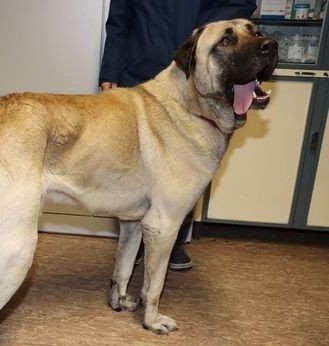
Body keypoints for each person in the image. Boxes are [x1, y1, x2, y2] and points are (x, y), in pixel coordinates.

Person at [99, 0, 257, 270]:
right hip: (140, 65)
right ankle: (132, 241)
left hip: (194, 69)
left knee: (188, 163)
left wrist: (205, 34)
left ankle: (173, 240)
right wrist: (110, 69)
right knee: (130, 162)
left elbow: (242, 2)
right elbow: (119, 20)